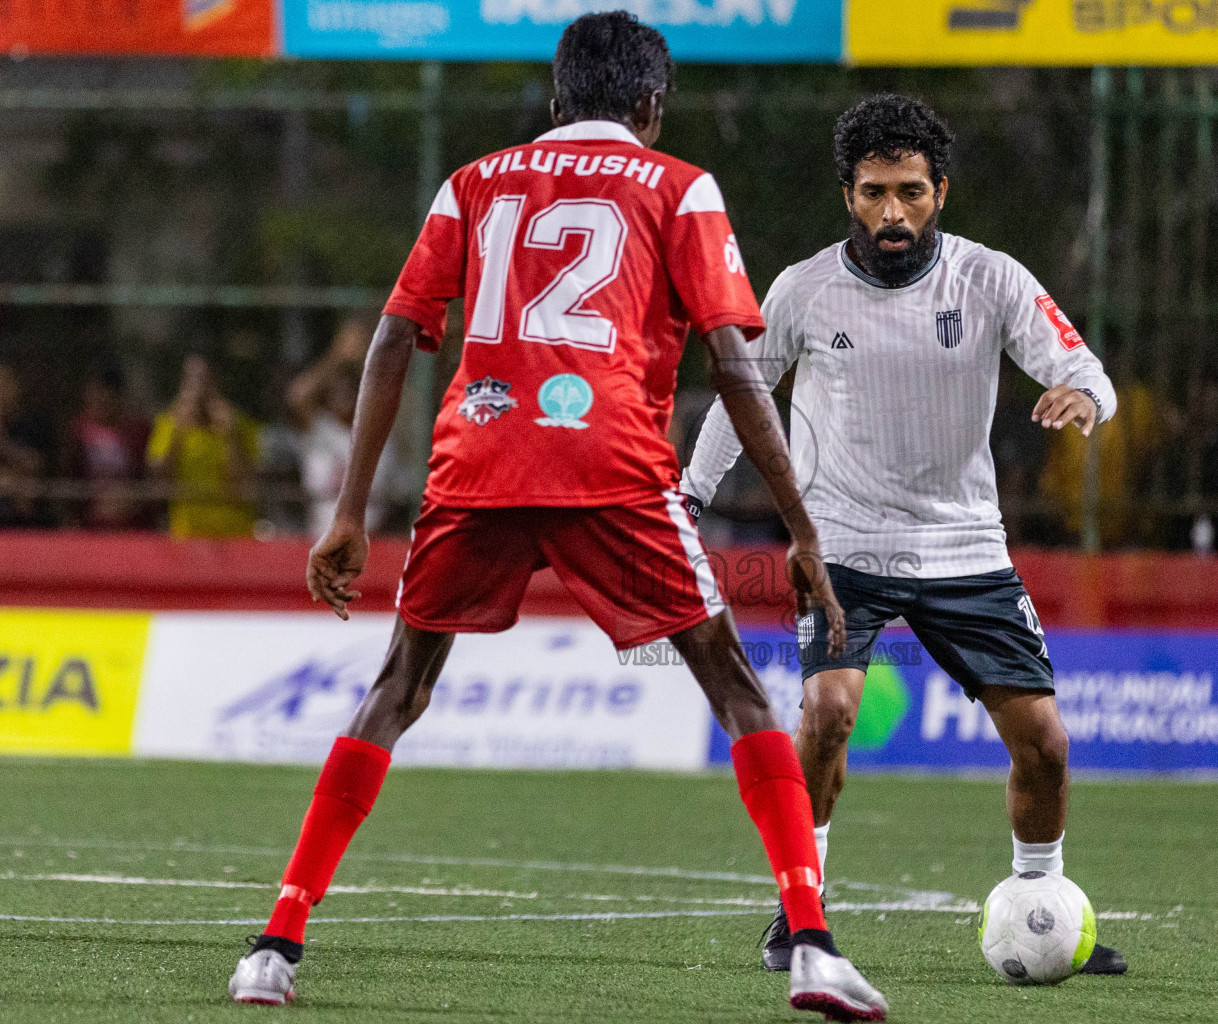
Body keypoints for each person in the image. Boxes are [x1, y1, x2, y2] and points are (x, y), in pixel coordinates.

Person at [228, 14, 887, 1022]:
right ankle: (810, 943)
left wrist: (352, 512)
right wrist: (799, 525)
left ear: (554, 101)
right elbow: (735, 366)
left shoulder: (472, 182)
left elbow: (396, 337)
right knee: (737, 688)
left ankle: (274, 945)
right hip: (608, 462)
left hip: (476, 457)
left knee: (398, 687)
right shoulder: (679, 185)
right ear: (651, 106)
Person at [679, 94, 1125, 975]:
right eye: (876, 192)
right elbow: (743, 387)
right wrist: (688, 493)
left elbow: (1084, 366)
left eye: (912, 192)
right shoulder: (803, 288)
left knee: (1045, 744)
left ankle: (1041, 900)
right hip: (844, 542)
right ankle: (798, 908)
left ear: (941, 191)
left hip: (966, 546)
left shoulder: (990, 278)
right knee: (828, 713)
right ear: (848, 194)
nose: (894, 212)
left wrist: (1087, 397)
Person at [288, 320, 399, 539]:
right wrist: (339, 356)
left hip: (374, 543)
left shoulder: (380, 430)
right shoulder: (320, 428)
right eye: (337, 386)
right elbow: (297, 396)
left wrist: (372, 358)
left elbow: (401, 400)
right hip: (321, 539)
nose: (344, 392)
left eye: (351, 385)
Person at [146, 354, 260, 539]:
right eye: (192, 381)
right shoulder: (168, 424)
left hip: (235, 538)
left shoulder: (240, 424)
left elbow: (247, 486)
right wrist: (177, 436)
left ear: (217, 382)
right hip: (186, 538)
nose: (199, 389)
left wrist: (231, 437)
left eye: (205, 381)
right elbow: (158, 483)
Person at [63, 365, 151, 530]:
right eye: (91, 395)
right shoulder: (78, 433)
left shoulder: (140, 432)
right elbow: (68, 480)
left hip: (133, 529)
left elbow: (150, 480)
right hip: (89, 528)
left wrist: (134, 499)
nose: (95, 402)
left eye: (102, 396)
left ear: (117, 396)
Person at [0, 363, 47, 527]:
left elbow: (34, 464)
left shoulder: (28, 426)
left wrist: (4, 446)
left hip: (20, 522)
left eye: (6, 383)